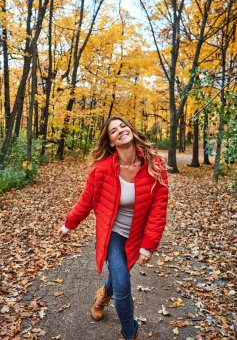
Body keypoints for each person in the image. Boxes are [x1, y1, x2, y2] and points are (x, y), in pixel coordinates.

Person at [58, 116, 168, 340]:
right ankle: (130, 333)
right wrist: (69, 224)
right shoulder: (102, 169)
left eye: (123, 126)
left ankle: (103, 295)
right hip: (114, 234)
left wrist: (148, 246)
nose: (120, 131)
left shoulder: (155, 166)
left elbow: (159, 208)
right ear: (110, 142)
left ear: (131, 130)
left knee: (120, 274)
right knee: (122, 282)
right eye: (113, 130)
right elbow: (86, 200)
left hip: (136, 234)